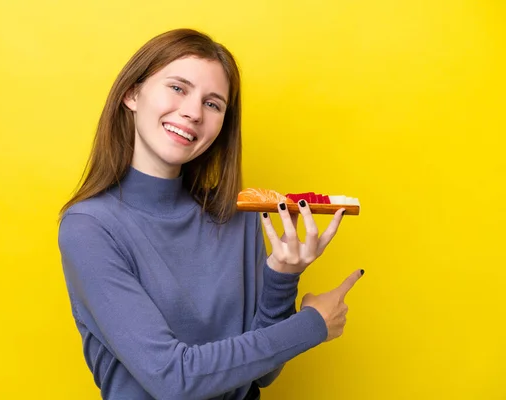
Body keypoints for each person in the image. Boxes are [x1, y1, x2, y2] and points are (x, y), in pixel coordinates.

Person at [57, 28, 364, 400]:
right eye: (177, 88)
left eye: (213, 103)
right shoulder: (89, 228)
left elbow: (262, 374)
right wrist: (312, 324)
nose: (192, 112)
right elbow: (173, 379)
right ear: (132, 93)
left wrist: (283, 276)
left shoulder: (239, 217)